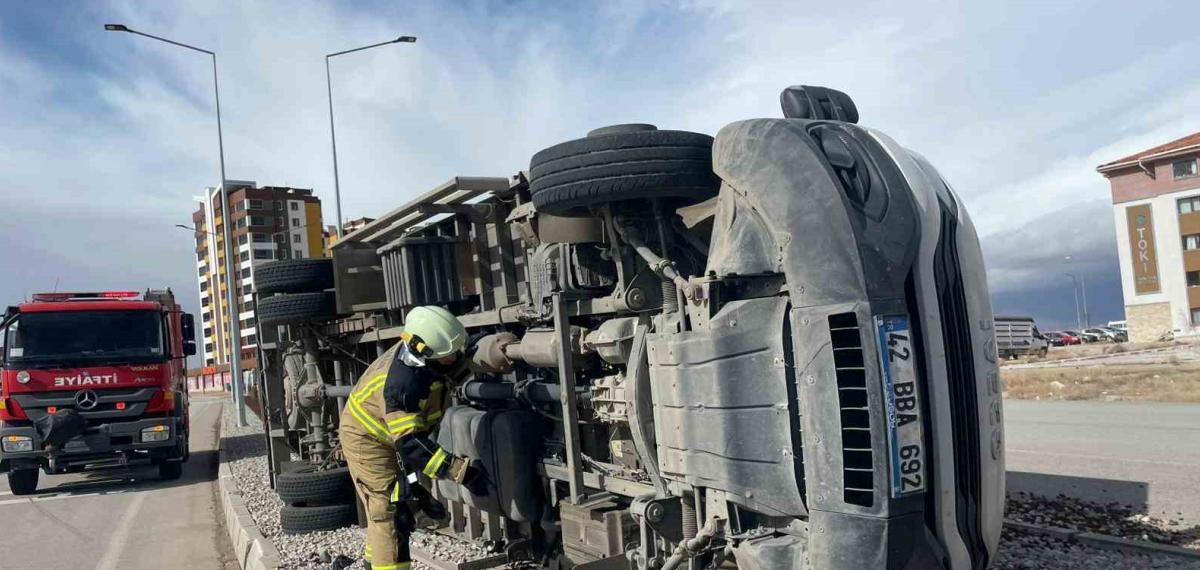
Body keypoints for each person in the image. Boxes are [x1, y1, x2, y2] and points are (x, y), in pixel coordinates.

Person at [340, 306, 487, 570]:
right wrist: (463, 474)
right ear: (426, 353)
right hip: (367, 438)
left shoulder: (423, 355)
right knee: (391, 510)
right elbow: (410, 446)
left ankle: (371, 563)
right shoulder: (403, 387)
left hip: (390, 435)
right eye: (449, 356)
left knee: (400, 495)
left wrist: (412, 483)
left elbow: (410, 445)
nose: (454, 359)